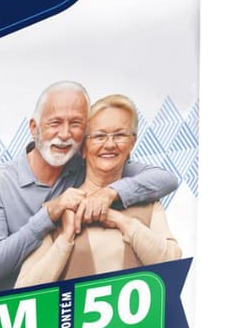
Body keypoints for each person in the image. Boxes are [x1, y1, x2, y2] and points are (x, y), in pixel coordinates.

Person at [0, 82, 177, 294]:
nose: (64, 134)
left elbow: (166, 179)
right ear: (34, 128)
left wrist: (109, 194)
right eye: (55, 122)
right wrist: (47, 216)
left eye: (76, 123)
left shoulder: (88, 162)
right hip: (4, 306)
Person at [15, 94, 182, 287]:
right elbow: (24, 290)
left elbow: (173, 266)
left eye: (120, 135)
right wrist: (65, 238)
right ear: (83, 147)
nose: (110, 144)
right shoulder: (57, 210)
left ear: (132, 143)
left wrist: (121, 221)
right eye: (99, 136)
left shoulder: (150, 205)